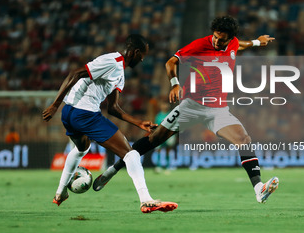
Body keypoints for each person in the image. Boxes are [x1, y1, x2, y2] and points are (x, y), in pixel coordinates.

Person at [93, 16, 279, 204]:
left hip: (218, 108)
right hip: (192, 105)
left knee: (244, 140)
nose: (216, 41)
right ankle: (112, 170)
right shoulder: (200, 45)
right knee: (154, 139)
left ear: (229, 39)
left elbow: (240, 45)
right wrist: (175, 84)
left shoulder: (233, 43)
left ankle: (258, 189)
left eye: (221, 39)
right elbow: (170, 62)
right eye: (215, 36)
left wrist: (257, 42)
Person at [42, 34, 178, 213]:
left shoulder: (119, 73)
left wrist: (138, 123)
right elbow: (75, 73)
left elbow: (113, 108)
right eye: (142, 55)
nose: (143, 59)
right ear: (135, 52)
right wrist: (54, 104)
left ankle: (60, 193)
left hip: (70, 114)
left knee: (82, 148)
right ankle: (146, 200)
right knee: (131, 155)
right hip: (84, 113)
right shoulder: (112, 61)